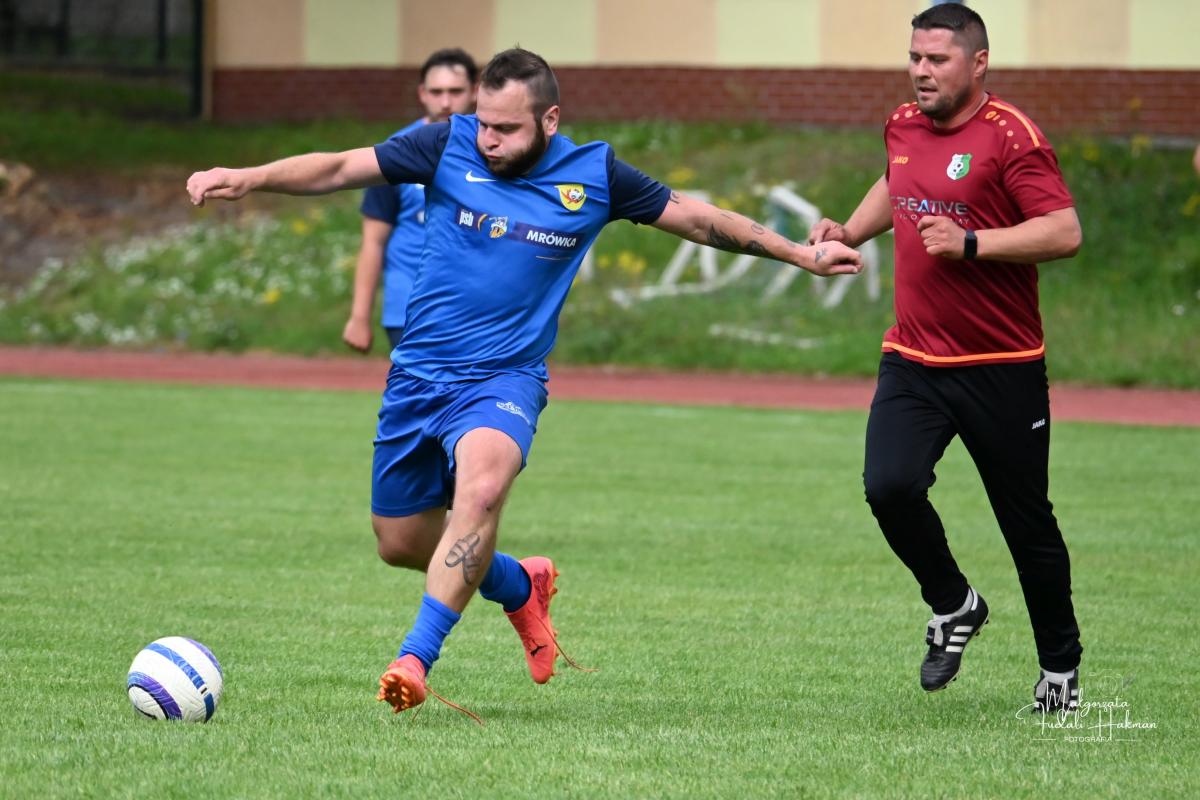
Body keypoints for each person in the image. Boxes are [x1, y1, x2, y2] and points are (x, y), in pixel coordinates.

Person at [188, 47, 862, 721]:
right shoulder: (443, 144)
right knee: (400, 543)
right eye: (484, 123)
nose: (489, 139)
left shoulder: (595, 174)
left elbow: (698, 218)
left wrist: (801, 254)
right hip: (417, 377)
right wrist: (248, 177)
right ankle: (518, 582)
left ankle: (414, 660)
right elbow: (339, 167)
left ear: (550, 120)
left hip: (503, 379)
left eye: (506, 128)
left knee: (481, 491)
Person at [809, 4, 1084, 713]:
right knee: (889, 487)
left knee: (1026, 525)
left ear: (978, 63)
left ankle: (1059, 670)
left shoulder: (1012, 137)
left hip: (1002, 365)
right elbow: (897, 182)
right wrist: (850, 231)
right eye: (915, 58)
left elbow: (1063, 231)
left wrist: (972, 244)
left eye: (938, 59)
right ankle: (954, 603)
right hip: (914, 357)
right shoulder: (903, 123)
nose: (921, 71)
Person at [342, 48, 478, 354]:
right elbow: (373, 241)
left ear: (475, 91)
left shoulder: (495, 151)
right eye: (437, 92)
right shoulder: (395, 153)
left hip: (473, 310)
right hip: (409, 309)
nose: (446, 102)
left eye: (455, 91)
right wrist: (359, 317)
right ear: (422, 94)